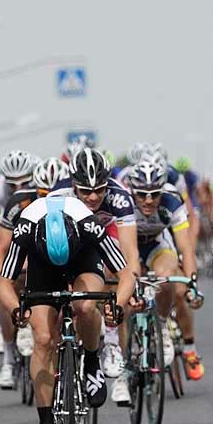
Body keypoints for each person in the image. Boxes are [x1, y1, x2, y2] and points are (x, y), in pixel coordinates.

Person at [0, 195, 135, 424]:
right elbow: (3, 283)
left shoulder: (88, 223)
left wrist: (116, 304)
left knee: (85, 306)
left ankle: (92, 361)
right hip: (43, 266)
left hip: (82, 258)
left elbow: (125, 274)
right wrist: (17, 308)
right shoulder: (25, 228)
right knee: (43, 338)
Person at [48, 148, 141, 404]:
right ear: (73, 184)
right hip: (62, 248)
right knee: (48, 319)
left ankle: (95, 358)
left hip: (97, 245)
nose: (92, 196)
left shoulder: (120, 196)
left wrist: (120, 301)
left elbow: (129, 254)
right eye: (85, 190)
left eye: (99, 189)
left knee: (87, 305)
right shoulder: (57, 196)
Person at [126, 159, 204, 383]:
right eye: (141, 194)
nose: (148, 200)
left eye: (154, 194)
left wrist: (192, 285)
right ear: (132, 191)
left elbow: (186, 248)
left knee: (171, 281)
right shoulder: (122, 202)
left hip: (158, 244)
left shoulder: (171, 200)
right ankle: (125, 349)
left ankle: (167, 331)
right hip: (129, 245)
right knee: (127, 289)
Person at [0, 157, 69, 364]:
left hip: (63, 256)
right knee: (13, 282)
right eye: (44, 194)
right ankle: (9, 357)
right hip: (29, 252)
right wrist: (5, 279)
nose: (50, 199)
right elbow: (1, 247)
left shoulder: (76, 205)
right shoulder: (19, 202)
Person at [0, 150, 39, 388]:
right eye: (12, 184)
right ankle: (8, 357)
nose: (18, 188)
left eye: (24, 182)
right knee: (5, 286)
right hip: (6, 237)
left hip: (36, 239)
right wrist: (2, 272)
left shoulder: (42, 189)